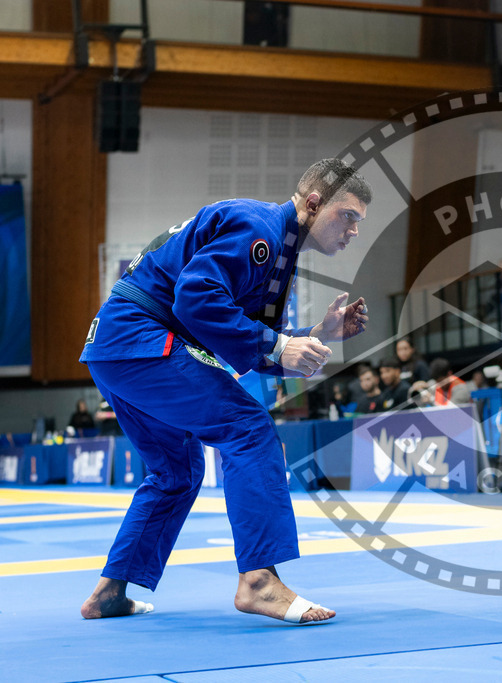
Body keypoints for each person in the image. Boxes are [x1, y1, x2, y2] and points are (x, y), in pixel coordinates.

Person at [78, 158, 371, 624]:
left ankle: (109, 593)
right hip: (142, 339)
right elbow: (194, 300)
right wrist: (278, 343)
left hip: (115, 348)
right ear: (314, 203)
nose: (353, 230)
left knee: (177, 472)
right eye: (348, 216)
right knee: (248, 428)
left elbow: (250, 342)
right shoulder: (260, 231)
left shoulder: (279, 256)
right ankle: (259, 582)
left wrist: (317, 334)